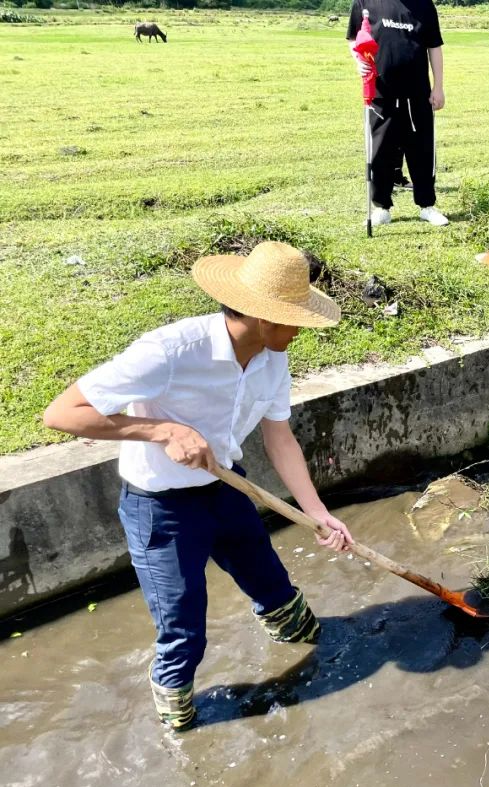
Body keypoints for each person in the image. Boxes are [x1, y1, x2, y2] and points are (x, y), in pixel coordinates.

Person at [43, 241, 355, 731]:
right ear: (263, 316)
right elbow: (62, 414)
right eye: (295, 320)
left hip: (227, 491)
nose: (301, 330)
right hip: (160, 508)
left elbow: (279, 438)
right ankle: (182, 728)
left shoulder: (272, 358)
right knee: (183, 631)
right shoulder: (169, 352)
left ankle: (312, 649)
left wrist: (316, 512)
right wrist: (161, 431)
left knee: (276, 590)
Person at [348, 0, 447, 227]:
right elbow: (354, 38)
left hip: (417, 94)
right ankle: (381, 208)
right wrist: (358, 61)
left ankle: (427, 206)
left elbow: (434, 46)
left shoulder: (424, 5)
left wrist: (438, 87)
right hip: (380, 93)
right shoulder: (365, 2)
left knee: (421, 151)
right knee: (380, 152)